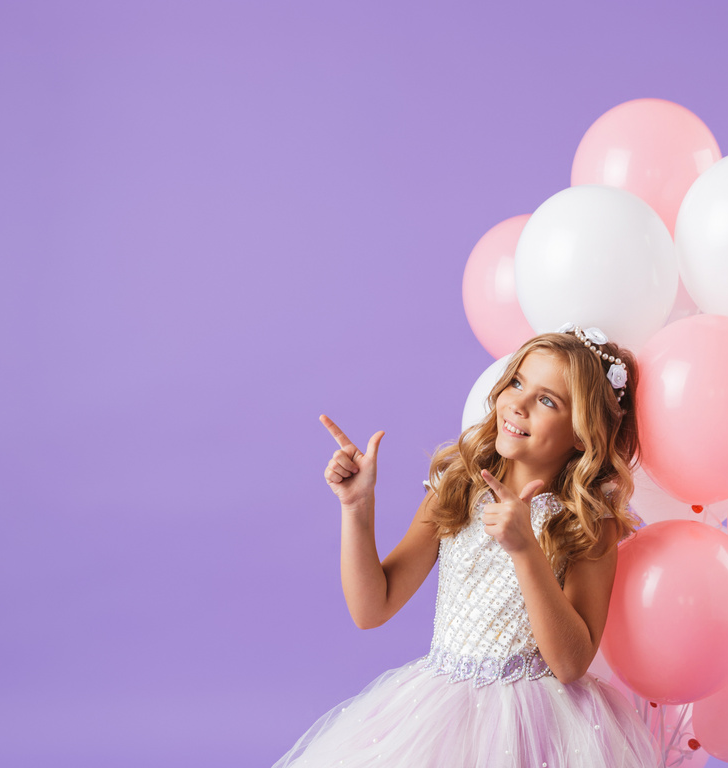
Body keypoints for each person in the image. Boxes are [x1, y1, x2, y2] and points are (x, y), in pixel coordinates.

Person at [273, 326, 661, 767]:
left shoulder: (585, 522)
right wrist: (358, 508)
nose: (517, 403)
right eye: (517, 382)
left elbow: (570, 664)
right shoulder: (457, 487)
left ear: (580, 433)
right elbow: (370, 609)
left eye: (547, 400)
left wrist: (525, 549)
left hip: (540, 725)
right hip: (440, 714)